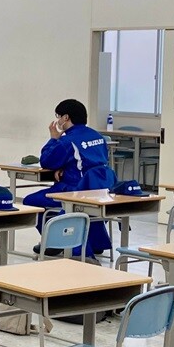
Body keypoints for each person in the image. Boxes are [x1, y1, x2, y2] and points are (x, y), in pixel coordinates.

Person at [25, 98, 116, 258]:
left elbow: (47, 161)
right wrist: (65, 168)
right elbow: (89, 163)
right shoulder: (98, 137)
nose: (58, 120)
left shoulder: (67, 140)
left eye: (58, 116)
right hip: (101, 189)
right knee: (79, 207)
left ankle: (54, 242)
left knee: (31, 201)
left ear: (66, 117)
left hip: (75, 190)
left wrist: (53, 138)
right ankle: (94, 242)